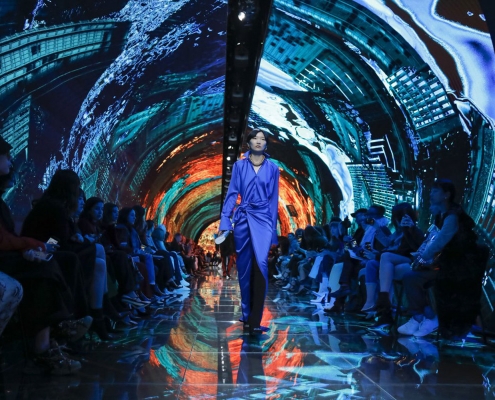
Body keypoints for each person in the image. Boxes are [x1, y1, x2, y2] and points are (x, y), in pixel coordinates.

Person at [398, 179, 478, 338]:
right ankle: (421, 316)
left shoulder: (452, 216)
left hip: (457, 268)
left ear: (446, 195)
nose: (431, 194)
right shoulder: (442, 215)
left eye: (435, 191)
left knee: (412, 277)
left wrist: (422, 258)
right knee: (410, 276)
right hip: (446, 264)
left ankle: (427, 317)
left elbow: (440, 242)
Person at [218, 128, 279, 335]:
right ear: (249, 142)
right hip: (243, 219)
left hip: (263, 219)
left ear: (266, 144)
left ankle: (255, 320)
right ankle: (246, 315)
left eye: (263, 139)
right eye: (255, 138)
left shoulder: (273, 168)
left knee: (261, 265)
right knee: (244, 269)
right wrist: (225, 221)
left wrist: (272, 231)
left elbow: (273, 201)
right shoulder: (239, 166)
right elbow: (232, 193)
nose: (259, 141)